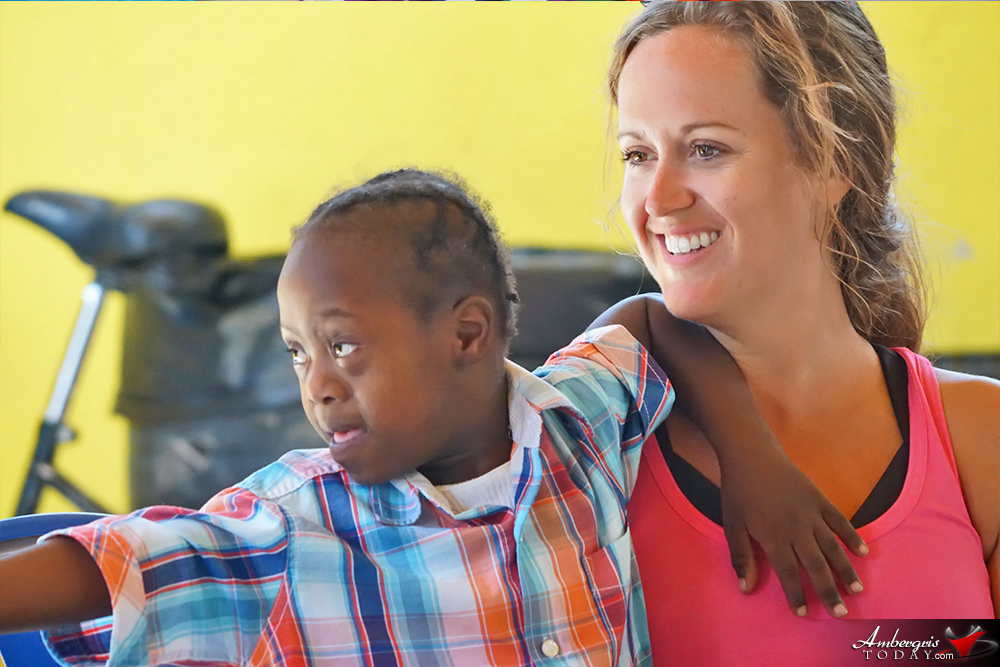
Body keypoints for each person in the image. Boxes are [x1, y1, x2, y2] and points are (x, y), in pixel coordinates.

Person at [0, 169, 865, 666]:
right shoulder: (290, 528)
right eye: (300, 353)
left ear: (467, 334)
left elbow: (654, 319)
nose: (318, 386)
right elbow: (122, 562)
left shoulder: (581, 421)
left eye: (343, 346)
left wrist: (756, 459)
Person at [600, 2, 999, 664]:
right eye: (637, 154)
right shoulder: (595, 443)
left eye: (706, 148)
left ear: (835, 158)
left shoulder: (980, 442)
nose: (658, 197)